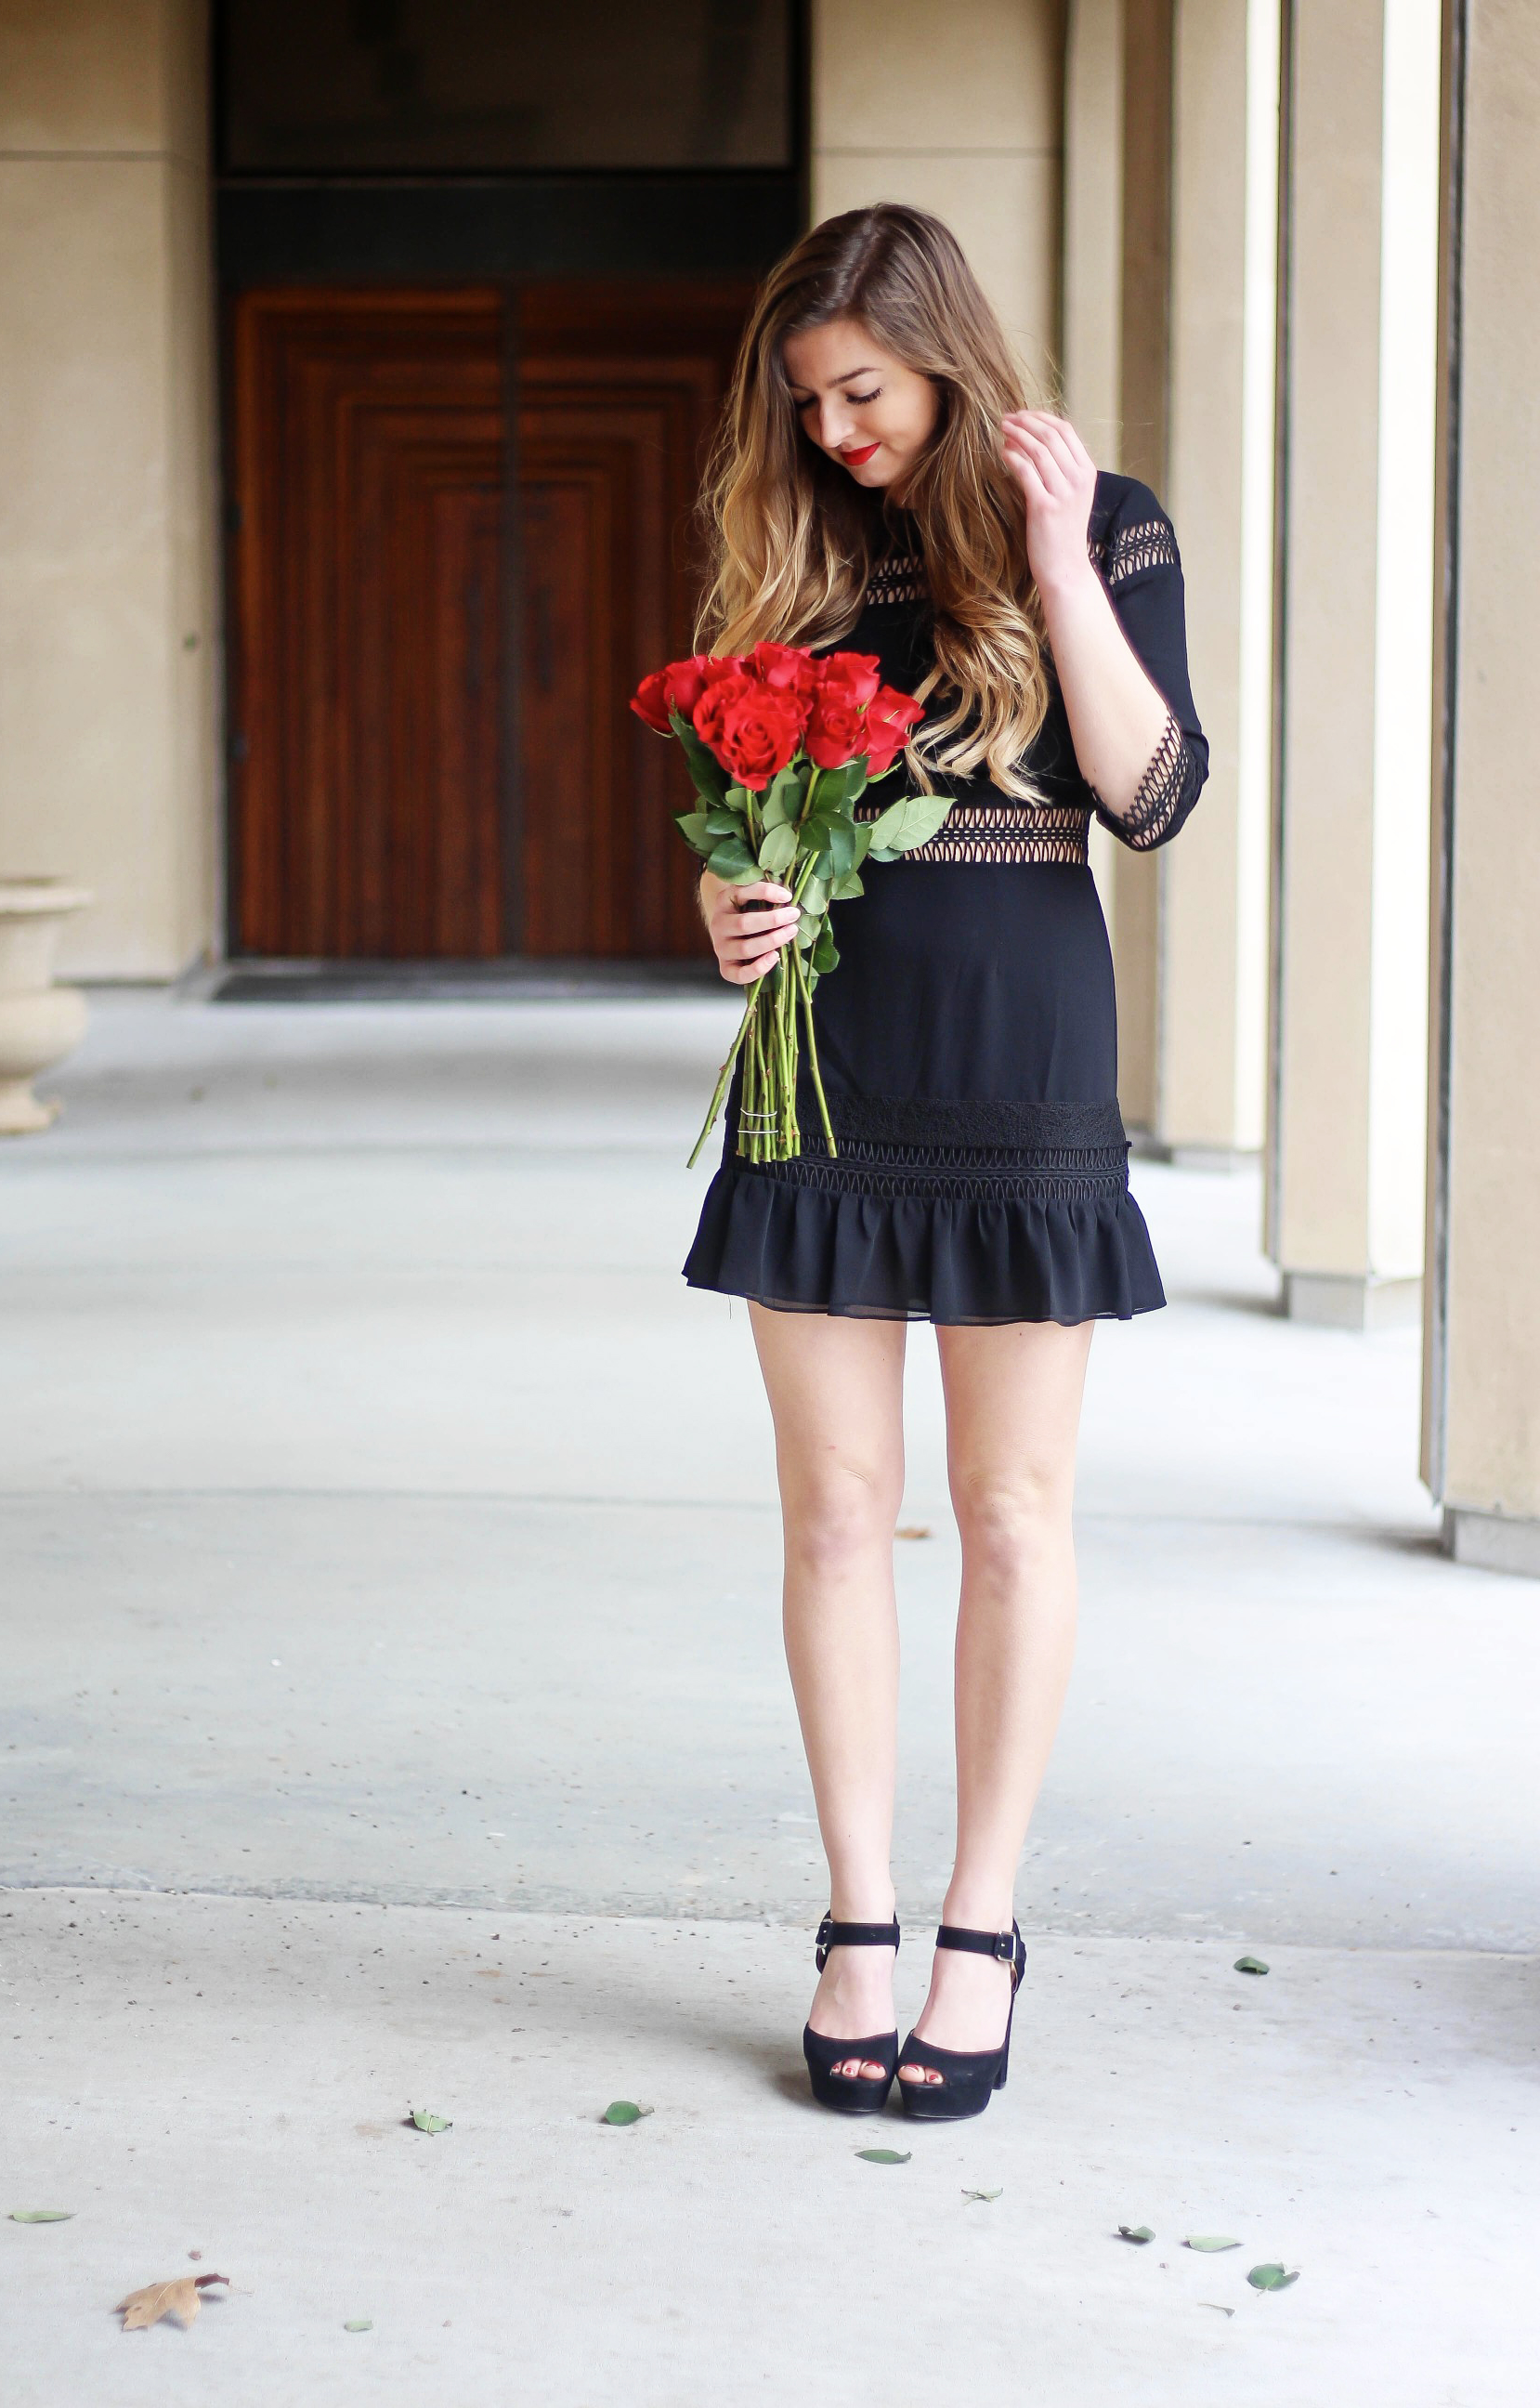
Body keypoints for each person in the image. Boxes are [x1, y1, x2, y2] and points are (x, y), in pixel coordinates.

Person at [682, 203, 1207, 2122]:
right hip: (821, 1070)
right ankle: (855, 1917)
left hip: (1021, 1066)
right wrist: (731, 904)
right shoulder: (794, 556)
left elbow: (1148, 793)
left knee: (1009, 1514)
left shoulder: (1107, 518)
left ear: (948, 357)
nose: (833, 432)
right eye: (808, 399)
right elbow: (743, 835)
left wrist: (1058, 557)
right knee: (835, 1515)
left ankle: (982, 1924)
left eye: (864, 391)